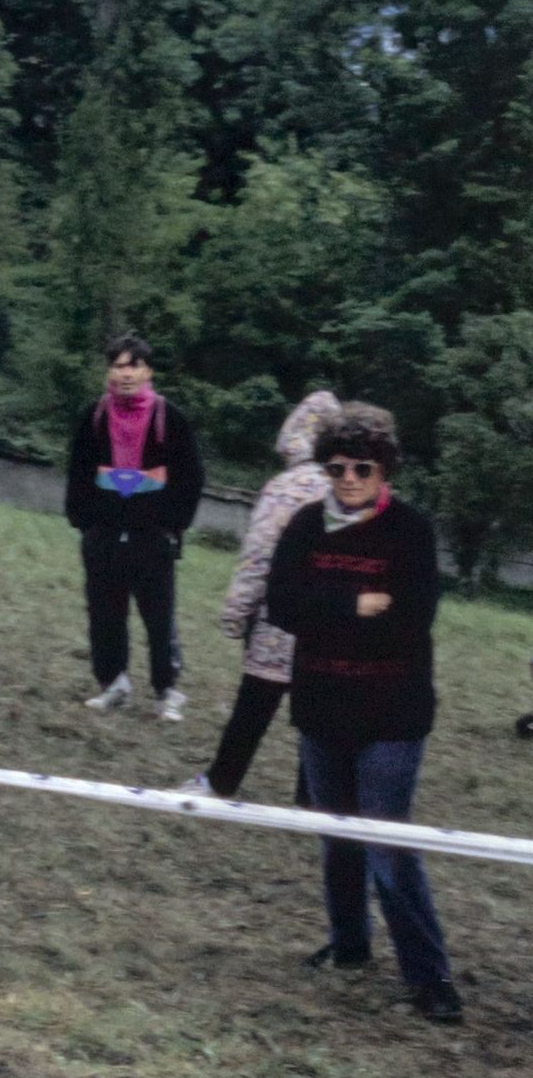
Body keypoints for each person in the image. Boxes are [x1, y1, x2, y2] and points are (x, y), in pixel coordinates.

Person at [266, 404, 462, 1024]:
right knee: (336, 833)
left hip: (392, 711)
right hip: (321, 704)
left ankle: (429, 976)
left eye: (361, 467)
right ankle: (350, 943)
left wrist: (332, 612)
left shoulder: (410, 530)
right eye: (336, 467)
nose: (348, 478)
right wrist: (356, 604)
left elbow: (411, 620)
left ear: (384, 469)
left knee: (388, 838)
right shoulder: (304, 525)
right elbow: (282, 607)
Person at [185, 391, 339, 798]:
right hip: (330, 626)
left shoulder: (283, 489)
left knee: (252, 707)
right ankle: (314, 798)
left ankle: (222, 781)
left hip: (277, 621)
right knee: (319, 715)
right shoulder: (351, 489)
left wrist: (237, 612)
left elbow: (258, 557)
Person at [65, 333, 204, 721]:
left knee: (159, 616)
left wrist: (173, 525)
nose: (126, 374)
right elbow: (78, 470)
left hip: (152, 537)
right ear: (109, 371)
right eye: (118, 366)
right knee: (105, 613)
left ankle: (166, 690)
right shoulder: (94, 416)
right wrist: (84, 522)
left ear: (148, 371)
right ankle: (113, 684)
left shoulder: (169, 417)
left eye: (134, 366)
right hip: (104, 535)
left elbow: (191, 476)